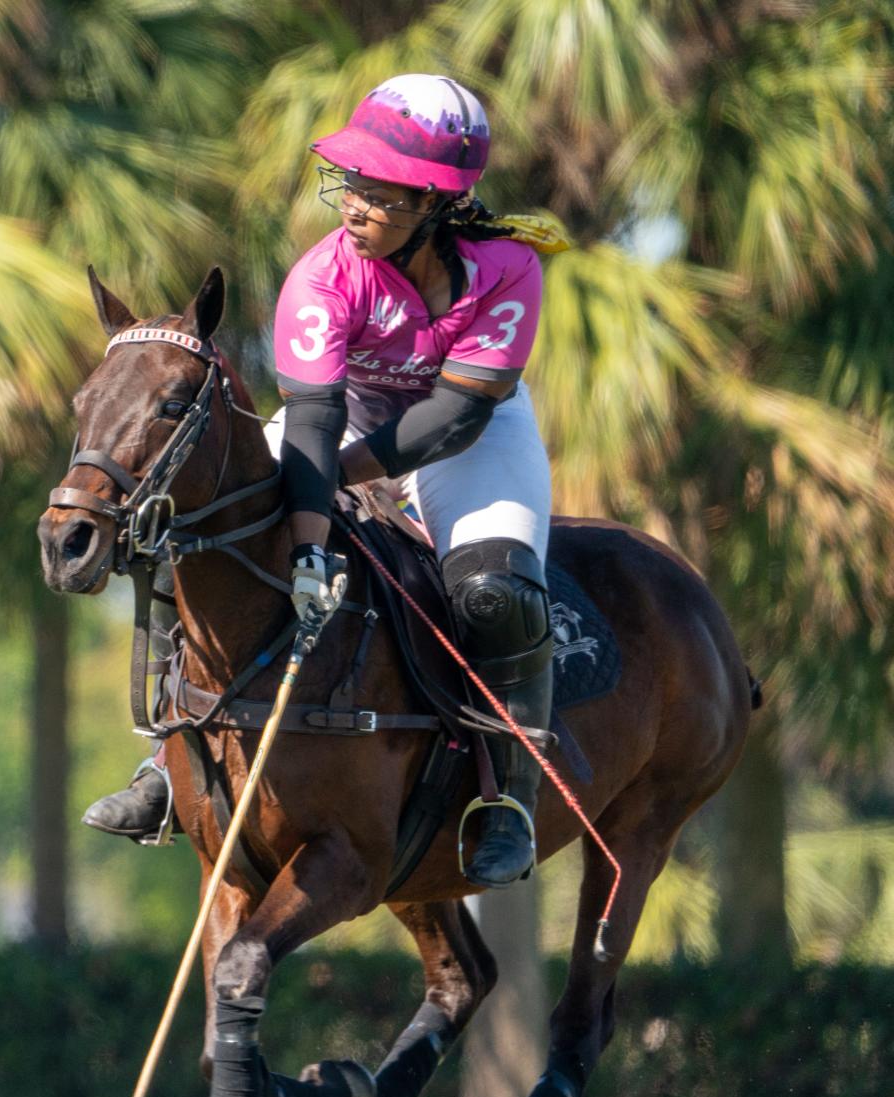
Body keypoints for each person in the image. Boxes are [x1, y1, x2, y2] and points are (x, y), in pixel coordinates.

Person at [85, 72, 564, 887]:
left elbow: (451, 419)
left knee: (498, 596)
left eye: (380, 192)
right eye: (350, 182)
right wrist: (307, 538)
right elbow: (310, 420)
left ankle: (509, 796)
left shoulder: (507, 267)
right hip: (338, 420)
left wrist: (338, 480)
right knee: (204, 529)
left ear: (436, 204)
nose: (353, 204)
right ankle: (168, 765)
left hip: (469, 433)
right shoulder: (321, 276)